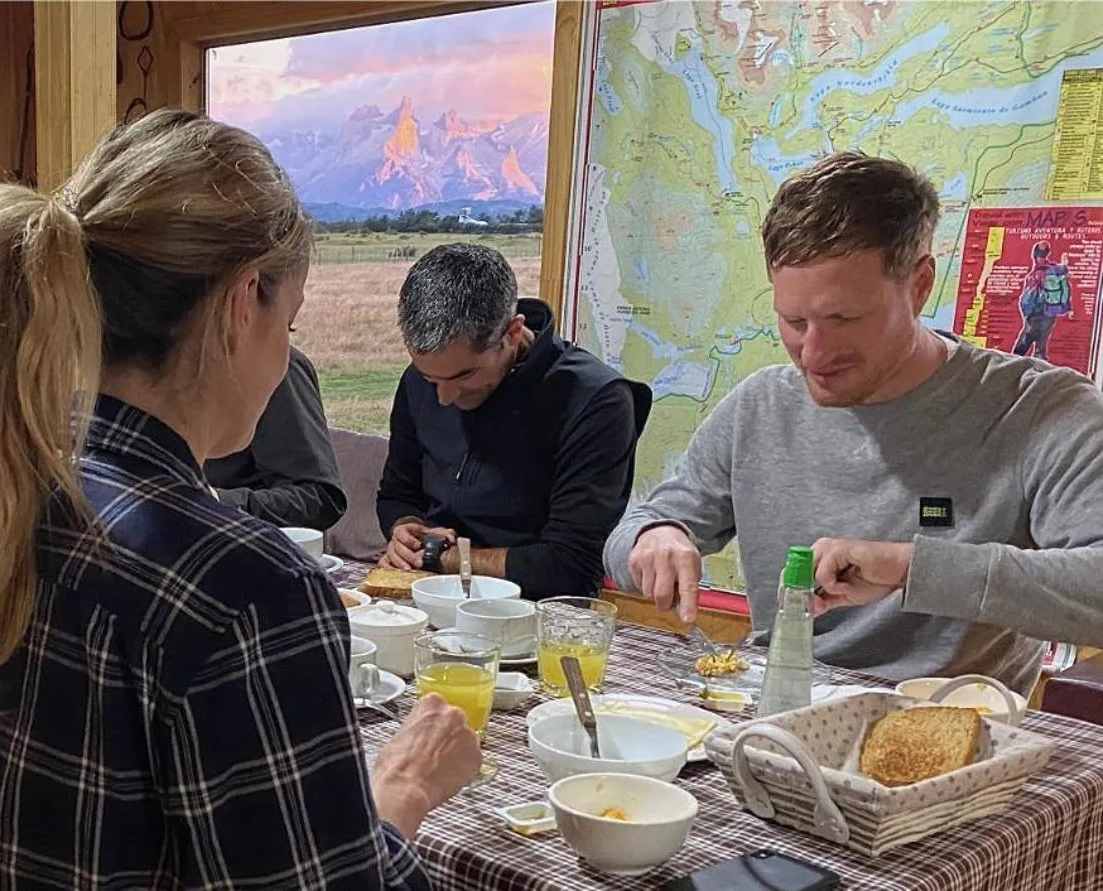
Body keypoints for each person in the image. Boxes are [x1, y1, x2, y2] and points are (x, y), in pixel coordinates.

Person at [0, 109, 482, 889]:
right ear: (241, 304)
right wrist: (401, 793)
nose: (284, 356)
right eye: (289, 325)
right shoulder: (246, 590)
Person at [607, 152, 1103, 694]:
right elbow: (635, 530)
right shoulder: (760, 406)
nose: (813, 353)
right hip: (772, 708)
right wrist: (654, 538)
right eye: (794, 321)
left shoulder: (1042, 409)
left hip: (938, 727)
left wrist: (911, 568)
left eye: (843, 318)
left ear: (919, 285)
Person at [376, 243, 651, 597]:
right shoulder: (420, 381)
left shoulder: (597, 401)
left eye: (464, 376)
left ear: (512, 333)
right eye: (430, 379)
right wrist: (406, 530)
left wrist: (440, 557)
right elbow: (397, 494)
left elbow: (570, 567)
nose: (444, 397)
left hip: (533, 611)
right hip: (428, 595)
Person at [203, 346, 348, 529]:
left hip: (247, 539)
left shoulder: (271, 366)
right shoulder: (175, 369)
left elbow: (319, 499)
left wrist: (215, 501)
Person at [1013, 240, 1073, 360]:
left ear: (1034, 255)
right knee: (1042, 341)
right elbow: (1065, 286)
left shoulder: (1036, 274)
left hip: (1036, 312)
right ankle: (1039, 362)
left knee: (1025, 341)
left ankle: (1012, 362)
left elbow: (1028, 298)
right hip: (1051, 311)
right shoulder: (1055, 270)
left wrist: (1026, 312)